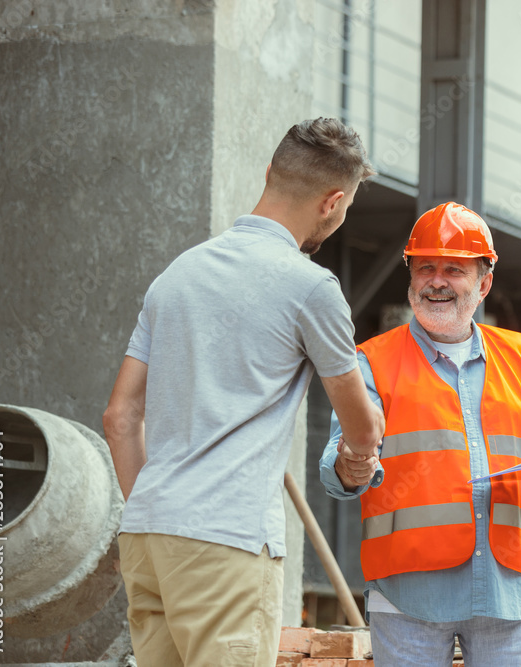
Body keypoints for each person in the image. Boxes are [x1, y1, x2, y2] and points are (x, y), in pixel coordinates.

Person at [102, 118, 385, 667]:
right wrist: (359, 455)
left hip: (147, 536)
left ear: (269, 175)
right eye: (347, 206)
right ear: (332, 202)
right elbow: (365, 428)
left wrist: (154, 512)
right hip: (226, 540)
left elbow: (118, 416)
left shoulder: (176, 275)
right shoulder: (310, 287)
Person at [319, 202, 521, 666]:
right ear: (411, 277)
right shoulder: (372, 361)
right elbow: (339, 468)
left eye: (454, 269)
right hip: (408, 594)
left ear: (484, 283)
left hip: (510, 589)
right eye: (425, 268)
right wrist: (350, 463)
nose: (436, 281)